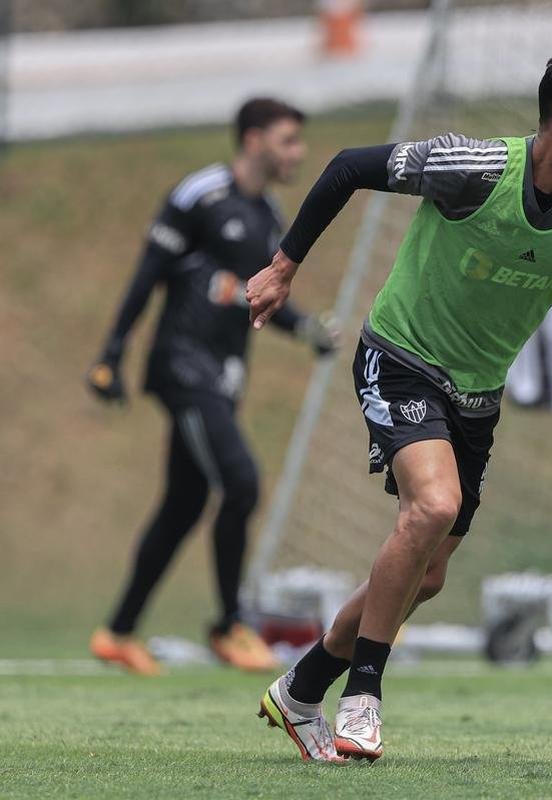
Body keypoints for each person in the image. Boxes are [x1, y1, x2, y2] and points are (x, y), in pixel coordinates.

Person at [247, 49, 552, 763]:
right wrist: (284, 266)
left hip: (477, 394)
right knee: (433, 507)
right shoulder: (471, 168)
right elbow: (350, 165)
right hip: (400, 357)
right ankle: (365, 699)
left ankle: (302, 688)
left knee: (430, 573)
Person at [85, 98, 339, 677]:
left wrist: (307, 330)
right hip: (184, 368)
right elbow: (147, 274)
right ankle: (230, 626)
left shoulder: (268, 214)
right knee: (241, 483)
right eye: (287, 140)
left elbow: (254, 293)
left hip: (223, 376)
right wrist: (111, 355)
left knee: (184, 504)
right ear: (253, 140)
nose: (296, 152)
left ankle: (118, 632)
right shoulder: (198, 195)